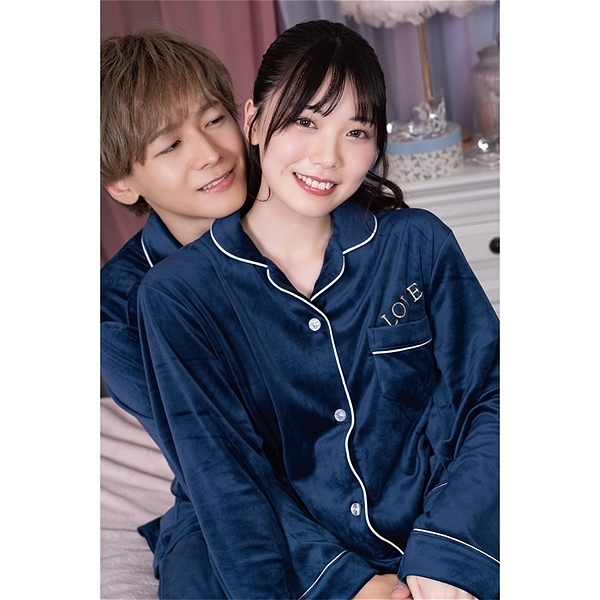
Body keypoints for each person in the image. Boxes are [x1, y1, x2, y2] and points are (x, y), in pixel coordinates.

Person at [138, 19, 500, 600]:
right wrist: (347, 584)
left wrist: (449, 554)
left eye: (355, 131)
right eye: (305, 121)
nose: (327, 157)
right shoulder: (177, 296)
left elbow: (492, 393)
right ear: (254, 122)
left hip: (439, 536)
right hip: (299, 565)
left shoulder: (417, 243)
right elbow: (226, 474)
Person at [100, 27, 248, 598]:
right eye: (170, 146)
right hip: (224, 498)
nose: (211, 153)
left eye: (215, 120)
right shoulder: (118, 309)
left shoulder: (308, 216)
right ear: (122, 183)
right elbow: (211, 465)